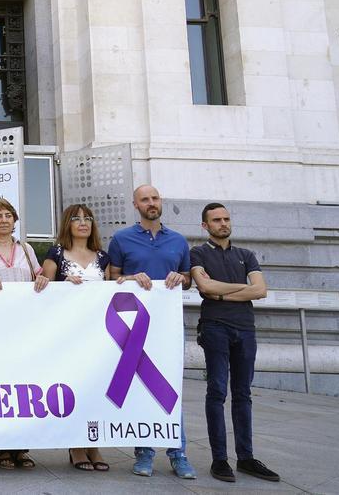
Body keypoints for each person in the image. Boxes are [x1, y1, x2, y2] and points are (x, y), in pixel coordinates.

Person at [106, 184, 195, 480]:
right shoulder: (121, 239)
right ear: (135, 205)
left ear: (161, 201)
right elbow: (113, 278)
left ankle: (178, 452)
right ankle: (144, 451)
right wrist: (131, 278)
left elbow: (187, 279)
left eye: (155, 198)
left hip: (168, 325)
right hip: (135, 326)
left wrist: (180, 277)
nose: (151, 203)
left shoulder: (179, 241)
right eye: (145, 199)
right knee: (142, 386)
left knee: (170, 386)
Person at [190, 203, 279, 483]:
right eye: (216, 220)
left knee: (243, 394)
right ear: (205, 225)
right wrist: (243, 288)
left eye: (226, 218)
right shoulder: (198, 253)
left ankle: (246, 458)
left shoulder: (246, 255)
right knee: (217, 391)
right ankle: (219, 460)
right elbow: (205, 287)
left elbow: (261, 290)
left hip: (245, 328)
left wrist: (221, 291)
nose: (223, 223)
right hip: (215, 327)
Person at [39, 204, 110, 472]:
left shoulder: (103, 257)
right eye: (77, 218)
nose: (83, 222)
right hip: (67, 332)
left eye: (88, 218)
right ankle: (76, 445)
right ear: (67, 224)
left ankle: (94, 444)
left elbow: (113, 290)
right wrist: (60, 282)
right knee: (73, 386)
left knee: (94, 386)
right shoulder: (56, 253)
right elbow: (42, 291)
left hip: (97, 333)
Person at [0, 197, 44, 470]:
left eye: (8, 215)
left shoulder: (26, 249)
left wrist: (43, 278)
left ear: (14, 220)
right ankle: (2, 450)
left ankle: (22, 448)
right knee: (0, 387)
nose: (4, 220)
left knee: (24, 387)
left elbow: (38, 275)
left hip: (25, 327)